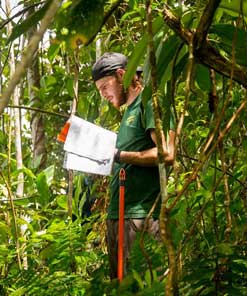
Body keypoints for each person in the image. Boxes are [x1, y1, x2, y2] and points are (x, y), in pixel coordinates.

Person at [92, 52, 175, 279]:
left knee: (146, 285)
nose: (104, 95)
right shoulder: (129, 111)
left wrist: (120, 155)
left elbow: (166, 153)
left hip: (141, 216)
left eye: (104, 87)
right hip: (119, 215)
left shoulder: (148, 102)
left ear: (121, 75)